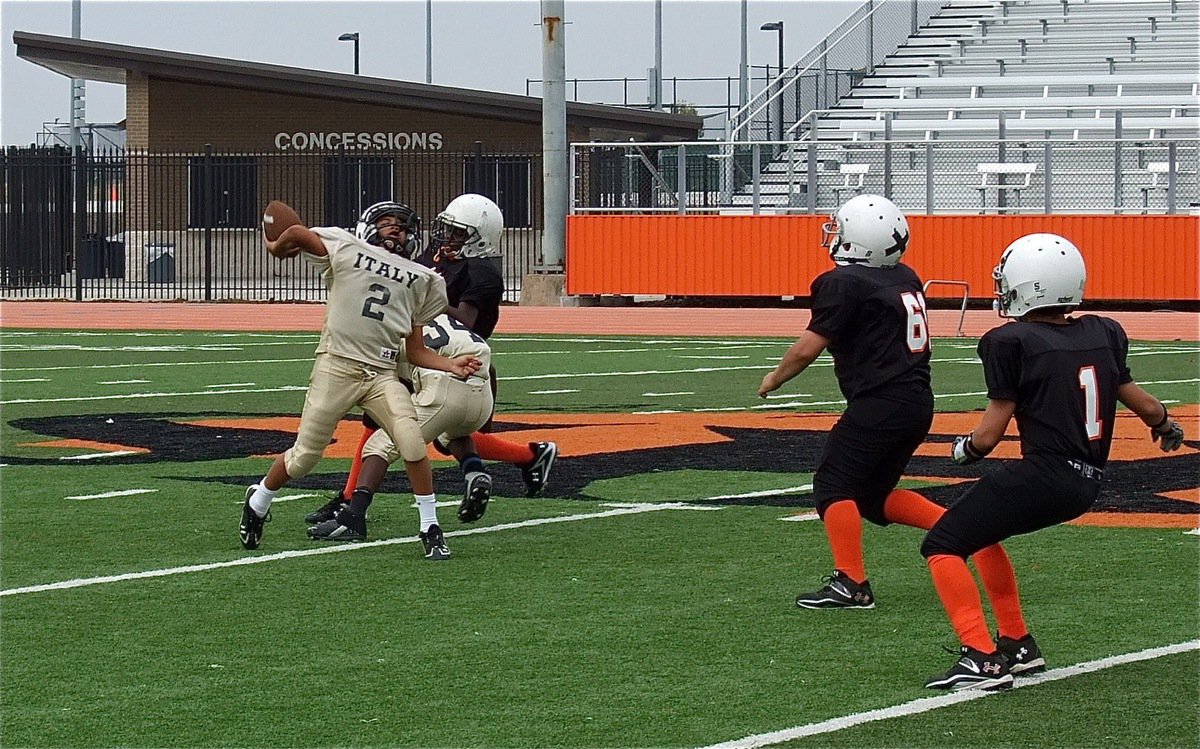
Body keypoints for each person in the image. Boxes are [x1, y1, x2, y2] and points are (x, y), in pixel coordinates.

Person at [920, 233, 1185, 691]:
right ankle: (1018, 644)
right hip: (1087, 481)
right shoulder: (1101, 331)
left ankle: (980, 656)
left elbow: (990, 433)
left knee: (942, 545)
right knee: (981, 532)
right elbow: (1131, 395)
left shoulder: (1011, 340)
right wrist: (1164, 424)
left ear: (1028, 285)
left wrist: (964, 450)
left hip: (1044, 474)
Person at [758, 194, 1020, 617]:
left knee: (833, 486)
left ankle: (852, 582)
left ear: (858, 240)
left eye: (841, 228)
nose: (835, 234)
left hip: (881, 401)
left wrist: (774, 379)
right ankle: (961, 531)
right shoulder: (904, 275)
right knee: (871, 494)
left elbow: (809, 348)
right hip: (915, 400)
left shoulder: (843, 282)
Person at [239, 200, 481, 560]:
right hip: (337, 365)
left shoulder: (422, 278)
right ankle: (258, 500)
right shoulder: (347, 245)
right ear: (369, 226)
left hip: (381, 372)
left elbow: (415, 352)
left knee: (412, 443)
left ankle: (430, 527)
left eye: (402, 225)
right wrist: (276, 245)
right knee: (304, 458)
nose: (396, 229)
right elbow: (295, 232)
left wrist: (451, 366)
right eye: (387, 223)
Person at [304, 194, 557, 527]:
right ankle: (529, 457)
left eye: (458, 232)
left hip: (459, 364)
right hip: (423, 356)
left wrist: (418, 300)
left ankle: (353, 503)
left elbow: (464, 320)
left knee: (429, 434)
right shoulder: (434, 257)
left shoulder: (483, 272)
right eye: (447, 228)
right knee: (408, 426)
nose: (448, 237)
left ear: (478, 239)